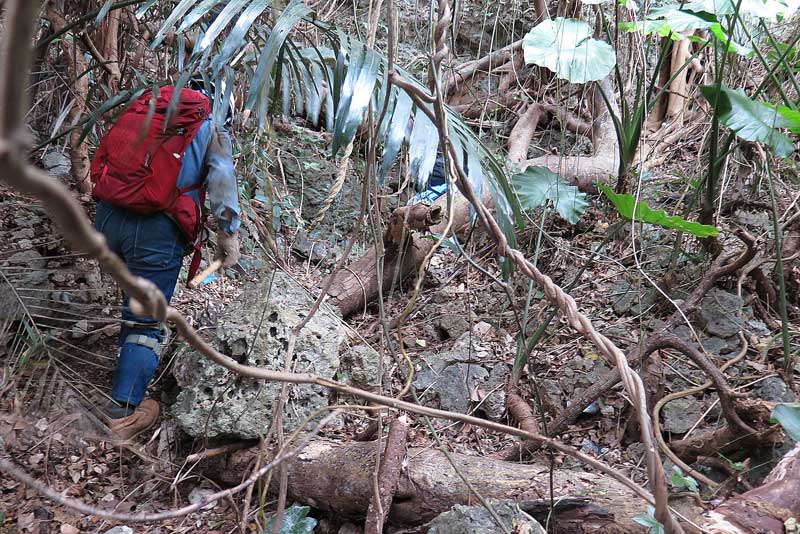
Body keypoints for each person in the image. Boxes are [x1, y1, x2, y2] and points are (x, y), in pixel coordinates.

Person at [92, 79, 241, 440]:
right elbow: (221, 178)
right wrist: (228, 233)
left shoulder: (147, 105)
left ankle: (127, 361)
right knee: (146, 320)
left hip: (108, 219)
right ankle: (123, 411)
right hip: (156, 227)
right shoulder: (209, 125)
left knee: (134, 298)